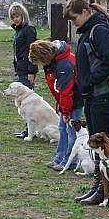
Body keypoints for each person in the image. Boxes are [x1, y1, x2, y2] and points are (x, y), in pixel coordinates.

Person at [63, 0, 109, 204]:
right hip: (94, 96)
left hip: (104, 95)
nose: (73, 23)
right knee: (95, 144)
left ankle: (107, 189)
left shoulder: (99, 31)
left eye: (74, 18)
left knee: (102, 145)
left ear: (85, 11)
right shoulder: (90, 31)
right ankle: (98, 186)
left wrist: (89, 81)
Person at [29, 39, 83, 171]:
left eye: (39, 62)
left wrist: (65, 112)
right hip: (65, 100)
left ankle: (70, 162)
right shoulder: (54, 62)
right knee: (62, 129)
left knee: (71, 132)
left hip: (74, 101)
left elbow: (66, 91)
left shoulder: (64, 65)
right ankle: (59, 158)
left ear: (44, 57)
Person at [8, 2, 38, 139]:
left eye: (17, 16)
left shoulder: (29, 30)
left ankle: (29, 130)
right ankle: (28, 129)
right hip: (20, 69)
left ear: (23, 15)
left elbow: (33, 51)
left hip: (26, 69)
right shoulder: (18, 30)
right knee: (23, 101)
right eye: (13, 16)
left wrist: (31, 71)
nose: (15, 19)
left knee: (27, 101)